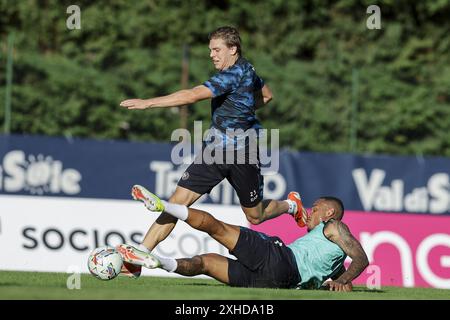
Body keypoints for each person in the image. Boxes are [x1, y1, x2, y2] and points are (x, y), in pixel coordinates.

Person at [119, 26, 307, 277]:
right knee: (176, 204)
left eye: (217, 50)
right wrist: (244, 112)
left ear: (233, 49)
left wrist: (148, 103)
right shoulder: (247, 70)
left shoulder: (235, 74)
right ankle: (138, 259)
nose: (212, 55)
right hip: (213, 152)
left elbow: (192, 95)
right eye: (210, 50)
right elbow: (267, 96)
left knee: (255, 215)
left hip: (243, 154)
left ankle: (291, 205)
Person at [117, 186, 369, 291]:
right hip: (278, 284)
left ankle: (163, 206)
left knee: (216, 227)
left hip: (279, 257)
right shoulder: (334, 260)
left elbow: (360, 257)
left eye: (315, 208)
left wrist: (345, 279)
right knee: (204, 262)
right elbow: (339, 276)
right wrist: (341, 282)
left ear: (330, 212)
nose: (311, 212)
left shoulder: (335, 226)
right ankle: (158, 261)